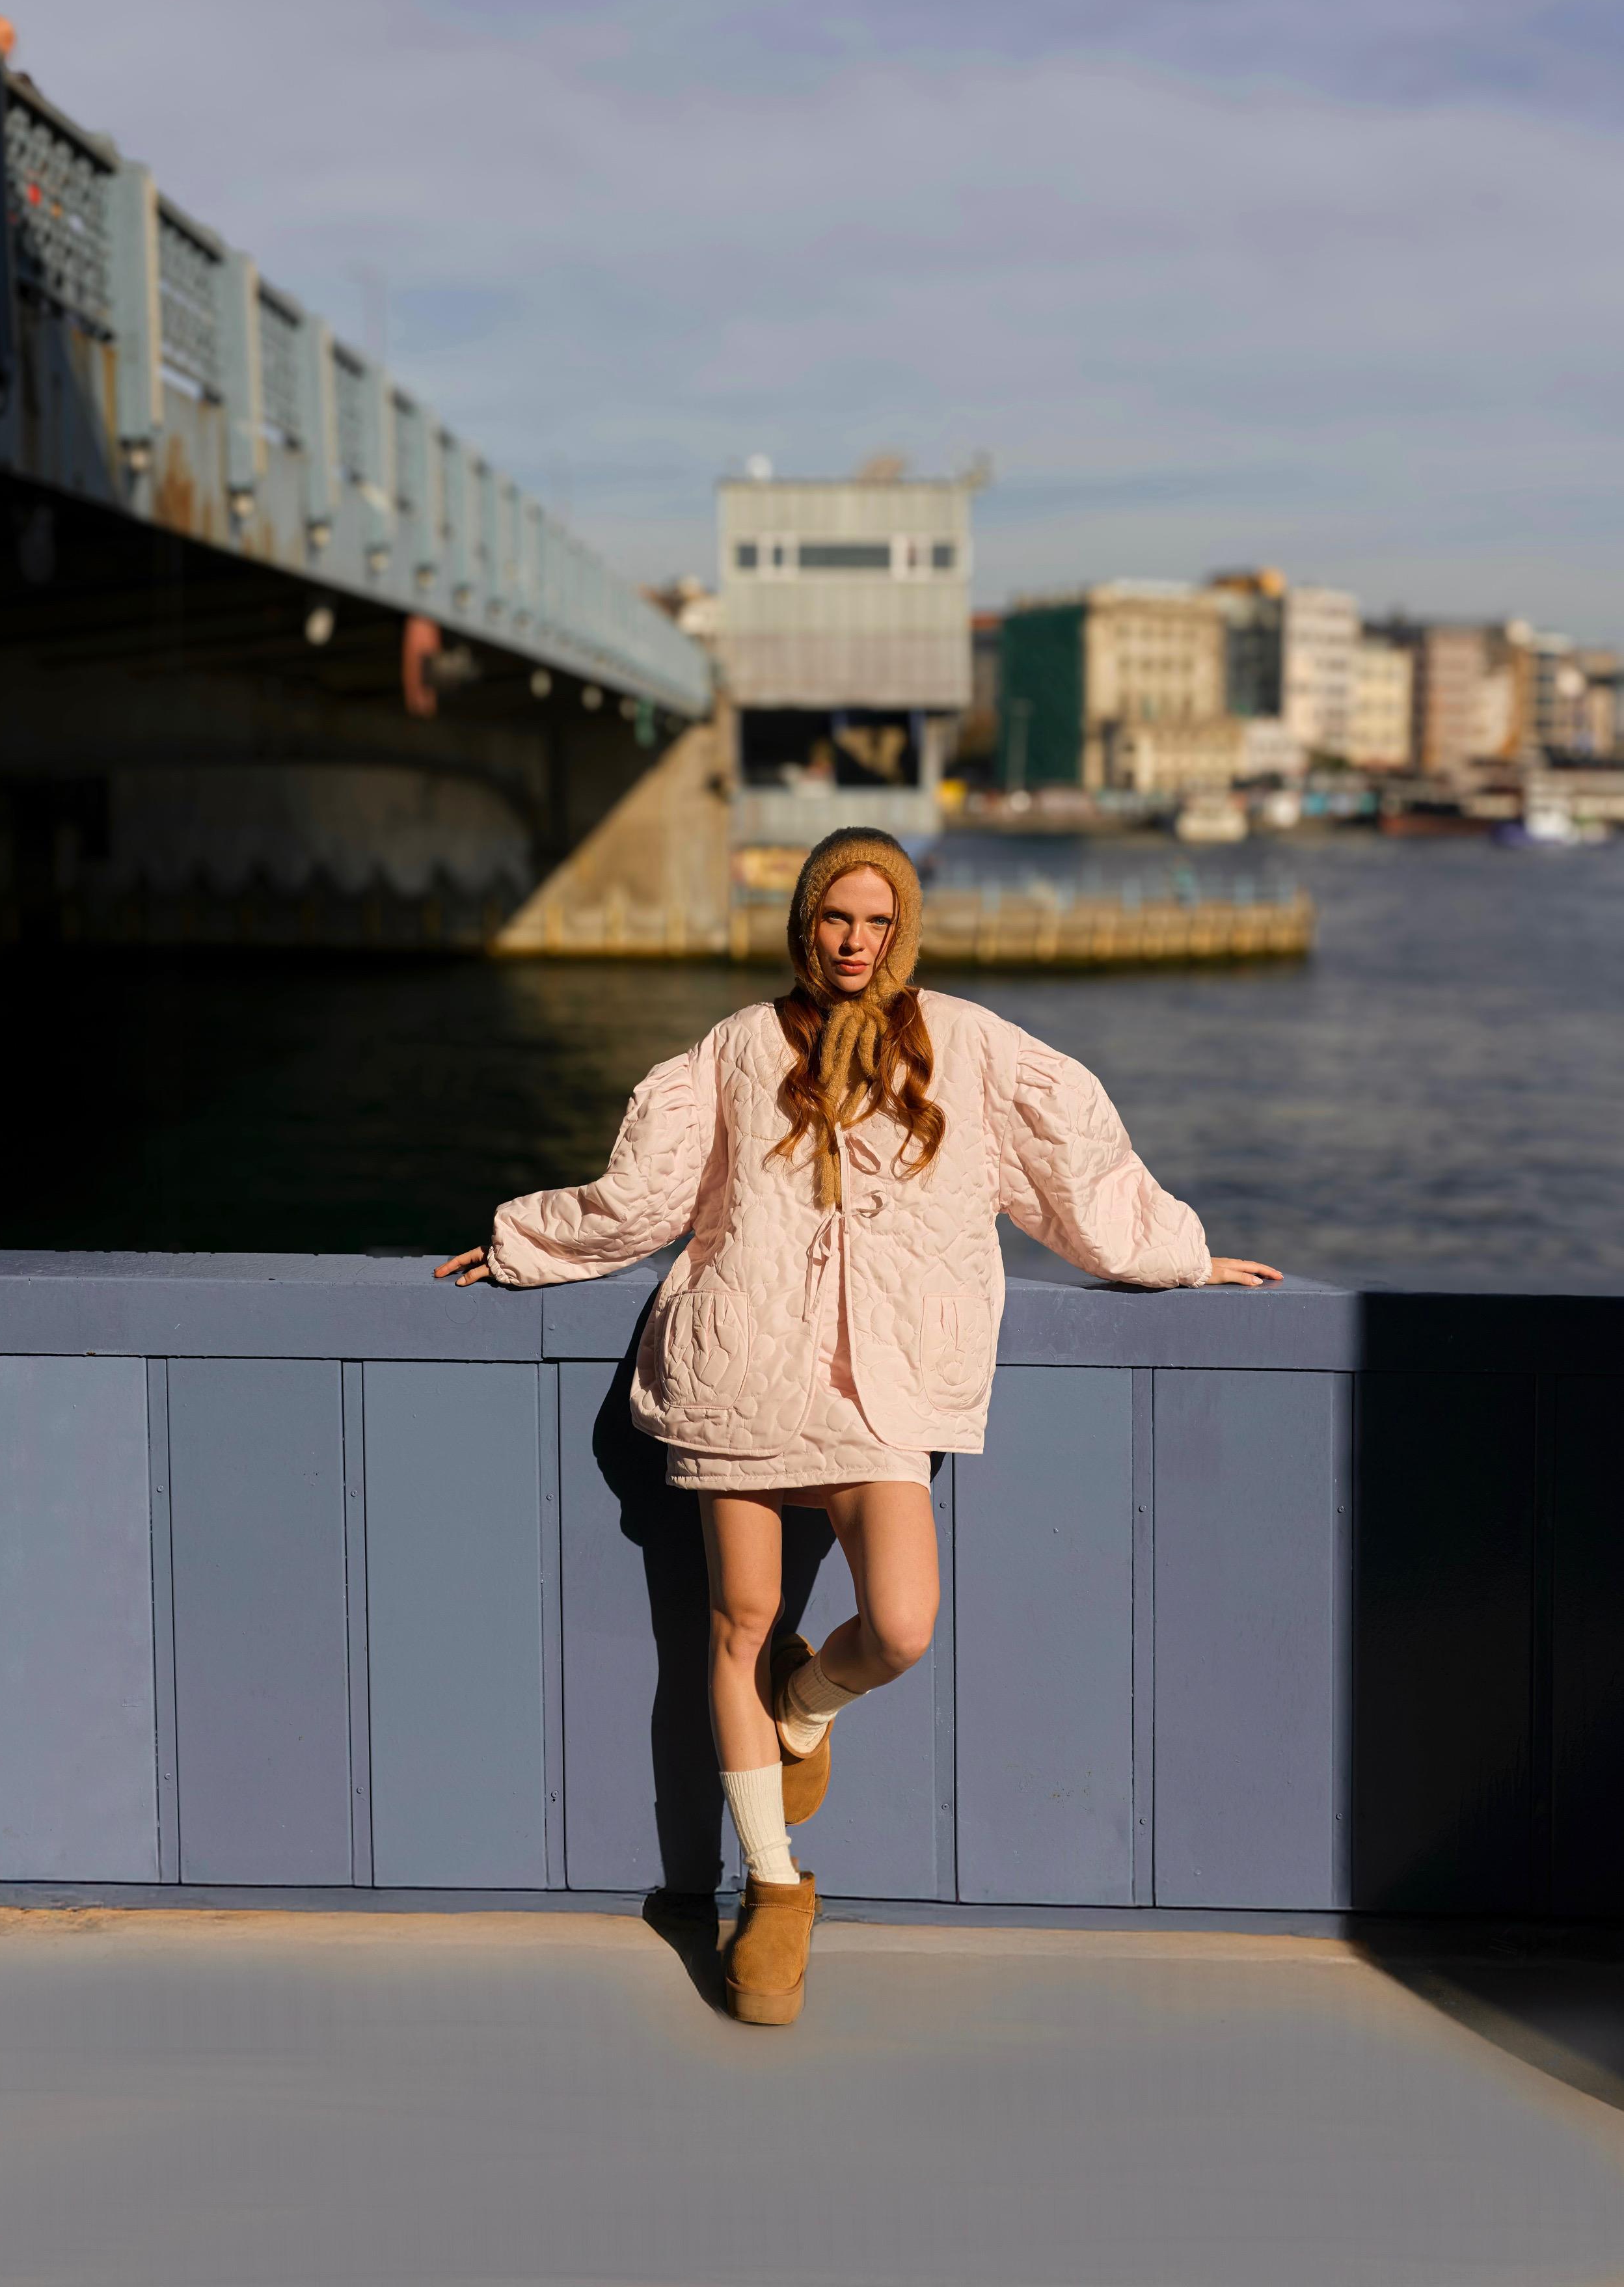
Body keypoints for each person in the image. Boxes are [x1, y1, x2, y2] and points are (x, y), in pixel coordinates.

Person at [437, 826, 1280, 2025]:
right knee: (734, 1624)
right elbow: (648, 1194)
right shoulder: (736, 1048)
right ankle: (772, 1890)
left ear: (906, 929)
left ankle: (807, 1705)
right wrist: (527, 1242)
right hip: (745, 1374)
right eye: (837, 917)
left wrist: (1181, 1257)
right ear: (804, 921)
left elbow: (1070, 1171)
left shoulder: (967, 1045)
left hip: (885, 1385)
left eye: (879, 921)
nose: (855, 942)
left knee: (901, 1623)